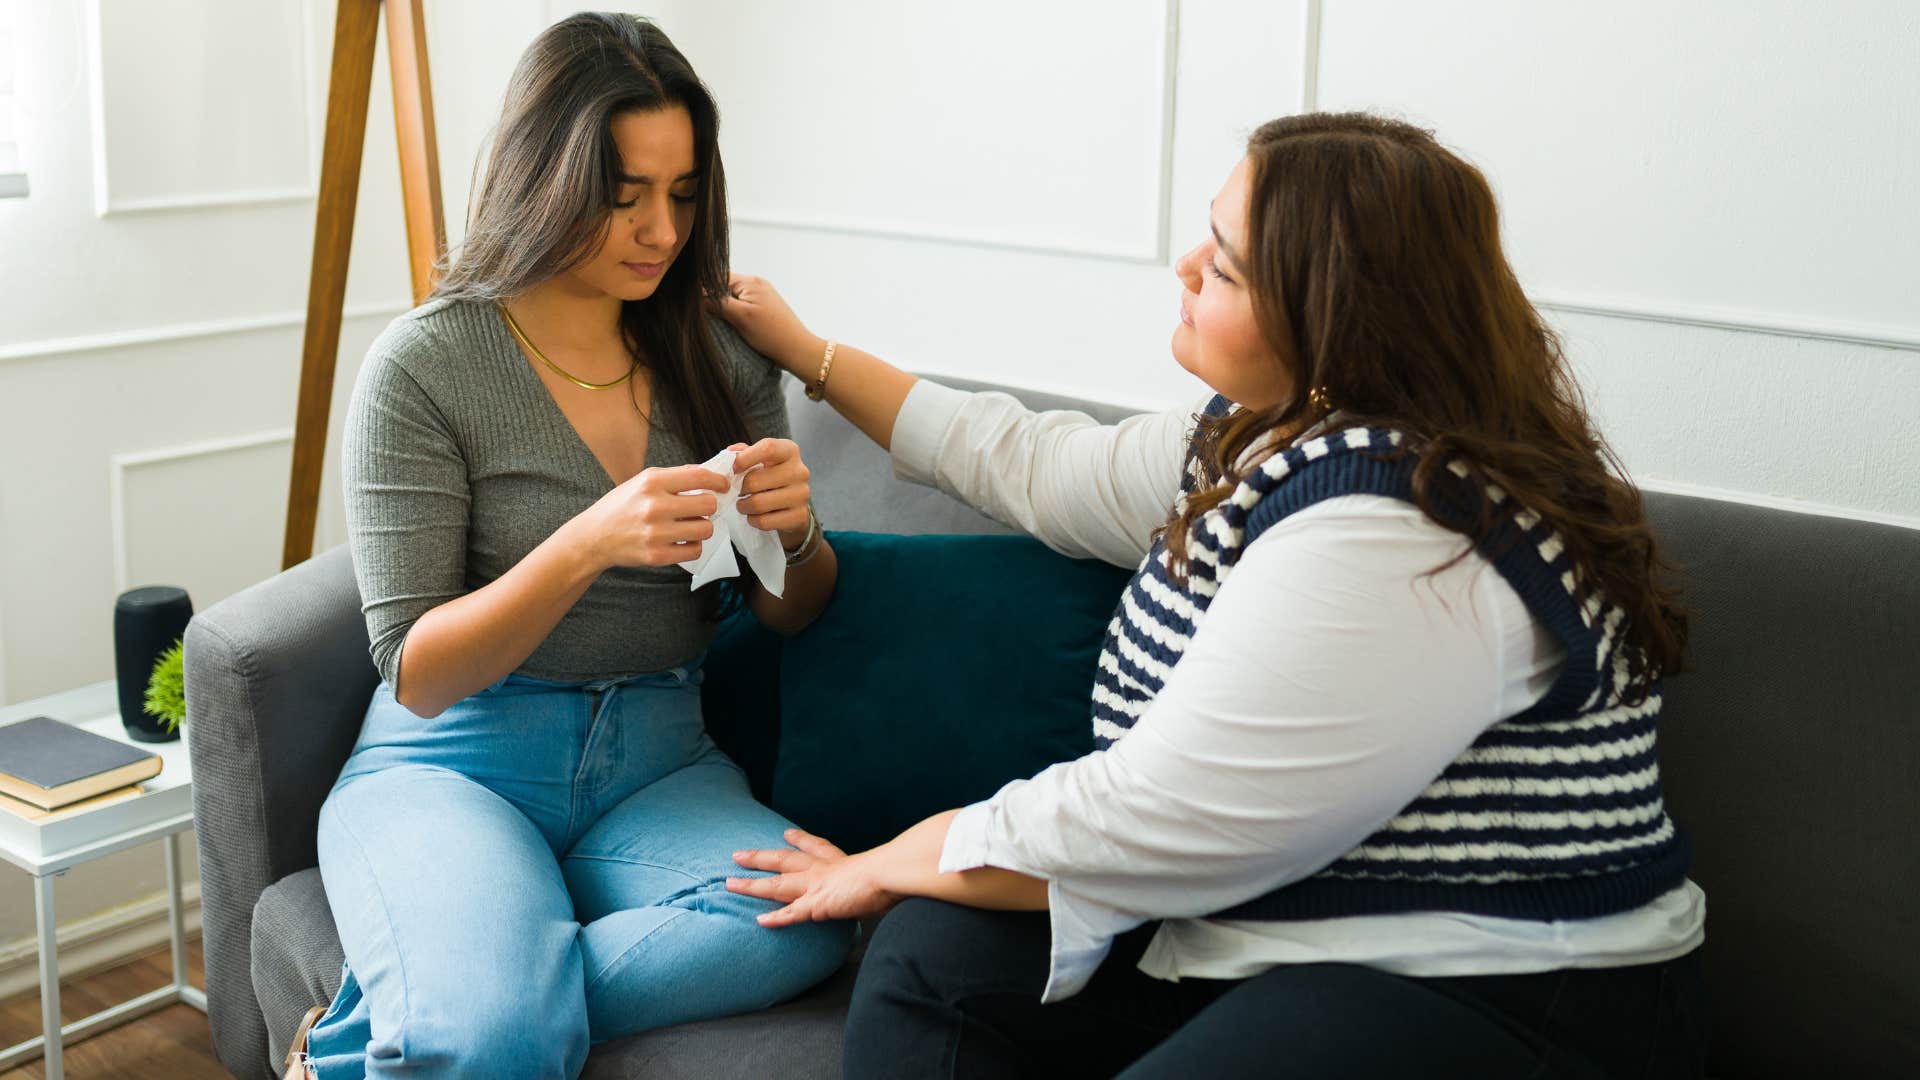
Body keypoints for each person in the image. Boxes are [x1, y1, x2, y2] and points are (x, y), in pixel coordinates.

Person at [715, 112, 1710, 1078]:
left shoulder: (1406, 525)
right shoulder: (1260, 438)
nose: (1186, 264)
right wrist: (810, 354)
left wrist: (889, 858)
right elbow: (1026, 460)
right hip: (1264, 924)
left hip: (1490, 976)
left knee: (928, 900)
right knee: (937, 960)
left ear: (1334, 321)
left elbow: (1161, 816)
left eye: (1226, 265)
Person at [285, 14, 852, 1079]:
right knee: (491, 1028)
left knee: (812, 915)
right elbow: (414, 670)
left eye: (683, 194)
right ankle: (468, 1001)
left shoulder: (717, 349)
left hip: (661, 759)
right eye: (624, 193)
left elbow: (792, 609)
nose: (661, 230)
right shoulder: (425, 365)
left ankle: (410, 1018)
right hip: (458, 761)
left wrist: (797, 530)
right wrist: (586, 543)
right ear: (545, 177)